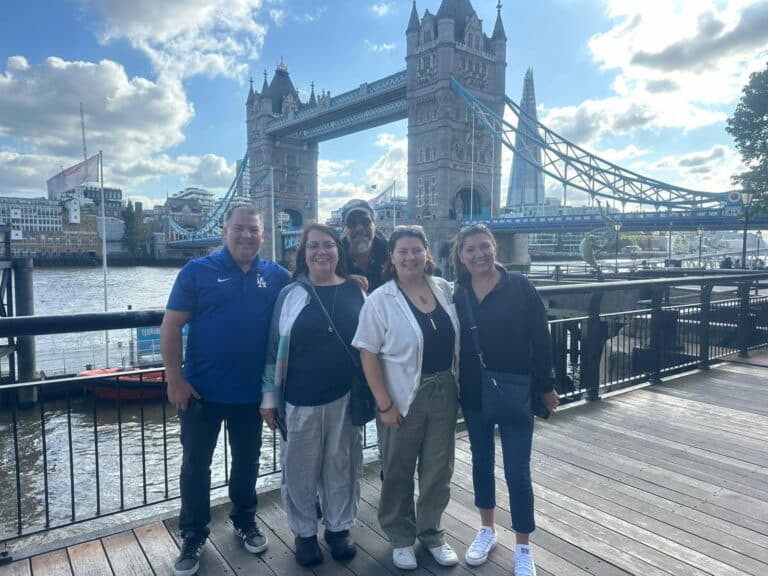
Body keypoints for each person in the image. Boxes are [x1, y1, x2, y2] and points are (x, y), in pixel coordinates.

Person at [161, 205, 290, 576]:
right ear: (224, 230)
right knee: (195, 465)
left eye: (254, 230)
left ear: (263, 236)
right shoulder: (197, 271)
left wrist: (355, 281)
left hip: (251, 394)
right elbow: (171, 326)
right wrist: (175, 379)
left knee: (247, 462)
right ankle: (194, 533)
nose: (247, 235)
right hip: (200, 391)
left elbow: (311, 294)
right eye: (239, 228)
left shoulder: (278, 276)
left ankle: (245, 519)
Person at [451, 224, 559, 576]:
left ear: (495, 247)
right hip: (473, 392)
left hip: (515, 390)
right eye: (471, 249)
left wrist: (546, 386)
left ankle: (523, 546)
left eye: (484, 246)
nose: (479, 254)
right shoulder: (457, 292)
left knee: (517, 471)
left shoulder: (520, 287)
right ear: (461, 255)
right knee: (481, 463)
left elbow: (541, 339)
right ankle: (487, 529)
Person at [352, 225, 460, 571]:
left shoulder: (444, 289)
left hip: (445, 390)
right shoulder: (380, 300)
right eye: (403, 252)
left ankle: (431, 533)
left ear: (427, 254)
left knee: (438, 469)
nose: (410, 257)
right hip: (402, 395)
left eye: (416, 250)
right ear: (392, 258)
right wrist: (384, 403)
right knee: (398, 470)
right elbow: (368, 354)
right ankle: (400, 536)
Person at [260, 224, 365, 567]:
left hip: (345, 396)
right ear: (303, 254)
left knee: (342, 466)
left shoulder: (356, 292)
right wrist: (268, 399)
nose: (321, 251)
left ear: (339, 251)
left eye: (328, 245)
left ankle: (338, 528)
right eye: (313, 246)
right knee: (300, 470)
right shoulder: (290, 295)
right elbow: (274, 349)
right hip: (299, 398)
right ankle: (304, 532)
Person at [340, 199, 388, 293]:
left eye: (365, 222)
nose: (359, 228)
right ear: (343, 227)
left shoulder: (391, 252)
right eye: (352, 223)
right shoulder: (334, 257)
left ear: (375, 225)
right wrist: (344, 281)